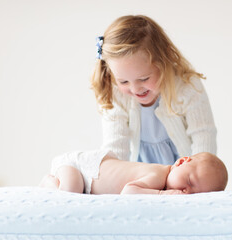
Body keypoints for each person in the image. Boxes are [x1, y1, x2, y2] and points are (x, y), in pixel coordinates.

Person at [91, 15, 217, 165]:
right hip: (141, 177)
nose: (135, 88)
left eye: (144, 79)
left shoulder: (186, 86)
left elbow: (203, 136)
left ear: (163, 62)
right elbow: (115, 149)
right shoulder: (116, 94)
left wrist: (196, 174)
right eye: (123, 81)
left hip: (184, 176)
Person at [39, 150, 228, 195]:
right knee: (71, 190)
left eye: (194, 192)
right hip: (80, 168)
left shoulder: (164, 178)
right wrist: (163, 194)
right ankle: (49, 182)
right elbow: (129, 191)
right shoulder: (158, 174)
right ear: (180, 162)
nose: (186, 190)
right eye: (189, 180)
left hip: (88, 178)